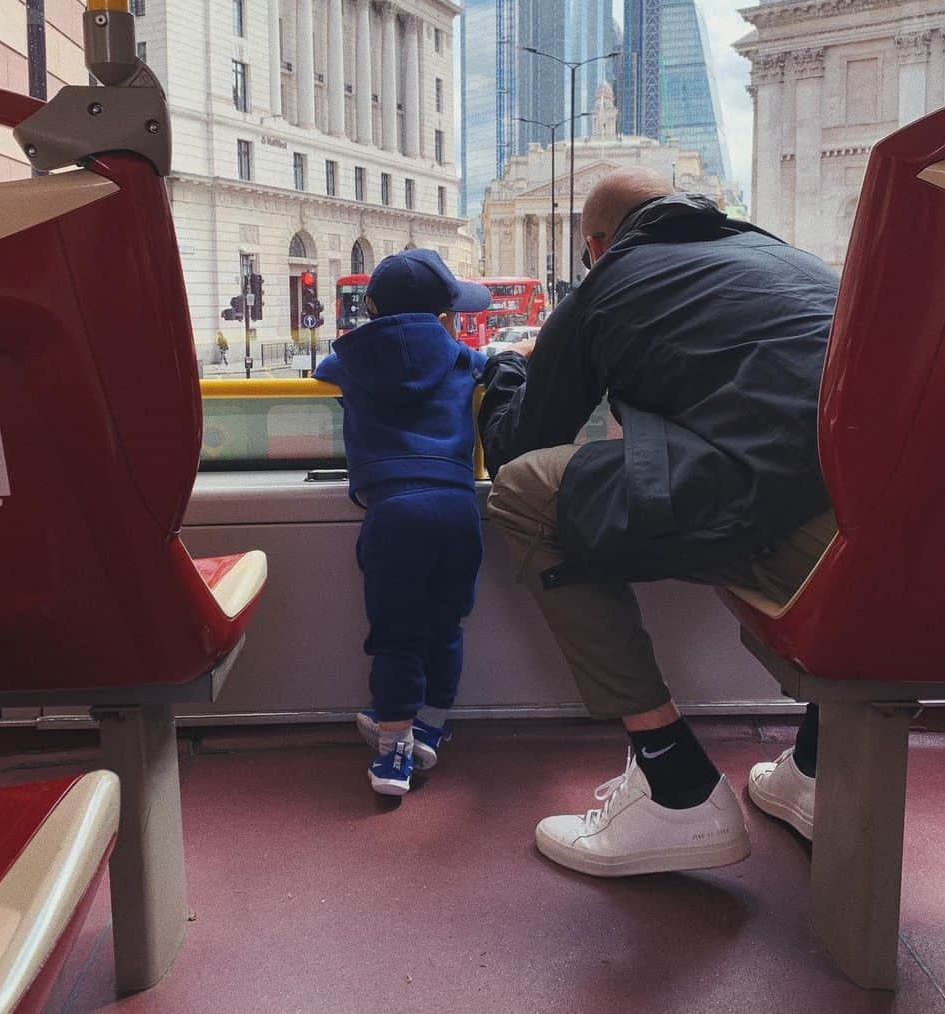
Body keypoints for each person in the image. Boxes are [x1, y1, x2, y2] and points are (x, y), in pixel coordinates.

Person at [478, 168, 838, 875]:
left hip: (819, 552)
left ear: (595, 244)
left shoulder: (611, 281)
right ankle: (823, 768)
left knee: (525, 495)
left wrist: (505, 374)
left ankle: (676, 785)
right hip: (917, 541)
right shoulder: (788, 258)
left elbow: (515, 448)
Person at [316, 251, 490, 797]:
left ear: (371, 308)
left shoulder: (349, 362)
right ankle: (431, 728)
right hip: (459, 505)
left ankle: (392, 754)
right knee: (446, 623)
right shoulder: (461, 358)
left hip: (393, 510)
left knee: (396, 634)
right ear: (443, 316)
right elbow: (491, 367)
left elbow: (324, 373)